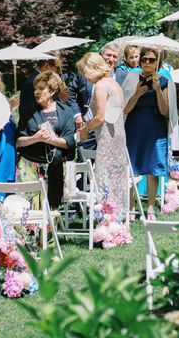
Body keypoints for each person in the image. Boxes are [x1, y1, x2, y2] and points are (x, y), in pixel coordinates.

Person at [123, 47, 177, 220]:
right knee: (133, 168)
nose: (147, 62)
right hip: (134, 127)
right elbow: (126, 109)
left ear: (158, 62)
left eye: (151, 60)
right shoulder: (132, 78)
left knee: (153, 168)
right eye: (144, 59)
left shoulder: (165, 81)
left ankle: (151, 207)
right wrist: (137, 94)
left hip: (155, 128)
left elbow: (165, 111)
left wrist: (158, 91)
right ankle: (131, 208)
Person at [79, 53, 131, 229]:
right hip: (119, 135)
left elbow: (100, 116)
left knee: (104, 177)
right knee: (117, 178)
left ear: (91, 68)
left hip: (107, 137)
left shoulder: (101, 86)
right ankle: (119, 219)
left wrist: (85, 129)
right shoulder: (114, 83)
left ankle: (108, 221)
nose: (84, 76)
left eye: (84, 71)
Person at [17, 71, 76, 207]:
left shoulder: (66, 112)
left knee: (51, 205)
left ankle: (50, 227)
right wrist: (35, 138)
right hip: (30, 165)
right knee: (29, 205)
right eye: (35, 89)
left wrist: (49, 139)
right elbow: (19, 140)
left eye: (41, 88)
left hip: (55, 164)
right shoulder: (27, 111)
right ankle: (31, 228)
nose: (36, 92)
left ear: (52, 91)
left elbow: (69, 142)